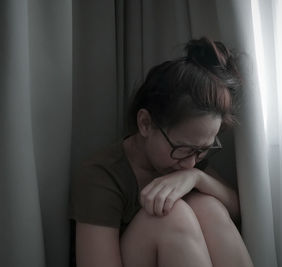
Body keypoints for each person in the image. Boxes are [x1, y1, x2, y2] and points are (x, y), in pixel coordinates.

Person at [69, 37, 254, 267]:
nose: (190, 163)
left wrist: (197, 178)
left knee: (208, 207)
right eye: (183, 149)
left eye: (203, 150)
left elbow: (237, 210)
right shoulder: (102, 176)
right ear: (145, 123)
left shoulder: (189, 160)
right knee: (170, 216)